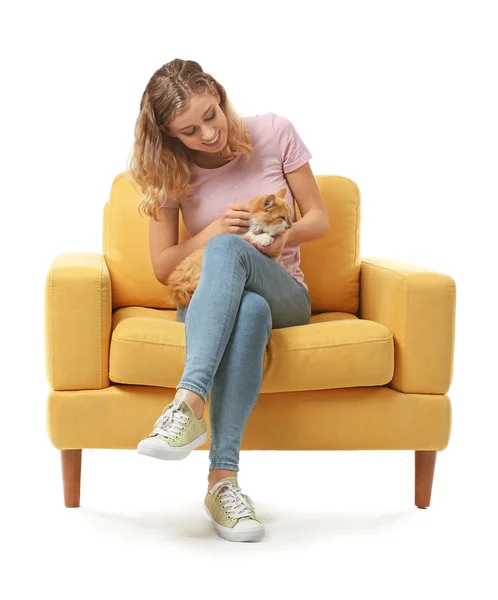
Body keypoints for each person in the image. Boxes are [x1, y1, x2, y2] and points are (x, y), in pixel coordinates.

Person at [127, 58, 329, 542]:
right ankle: (223, 482)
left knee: (237, 263)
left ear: (217, 93)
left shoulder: (275, 132)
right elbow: (162, 266)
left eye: (210, 116)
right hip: (209, 300)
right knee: (245, 299)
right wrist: (216, 230)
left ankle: (187, 404)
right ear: (169, 134)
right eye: (190, 130)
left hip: (284, 290)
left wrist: (281, 236)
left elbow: (320, 218)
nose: (208, 135)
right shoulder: (168, 171)